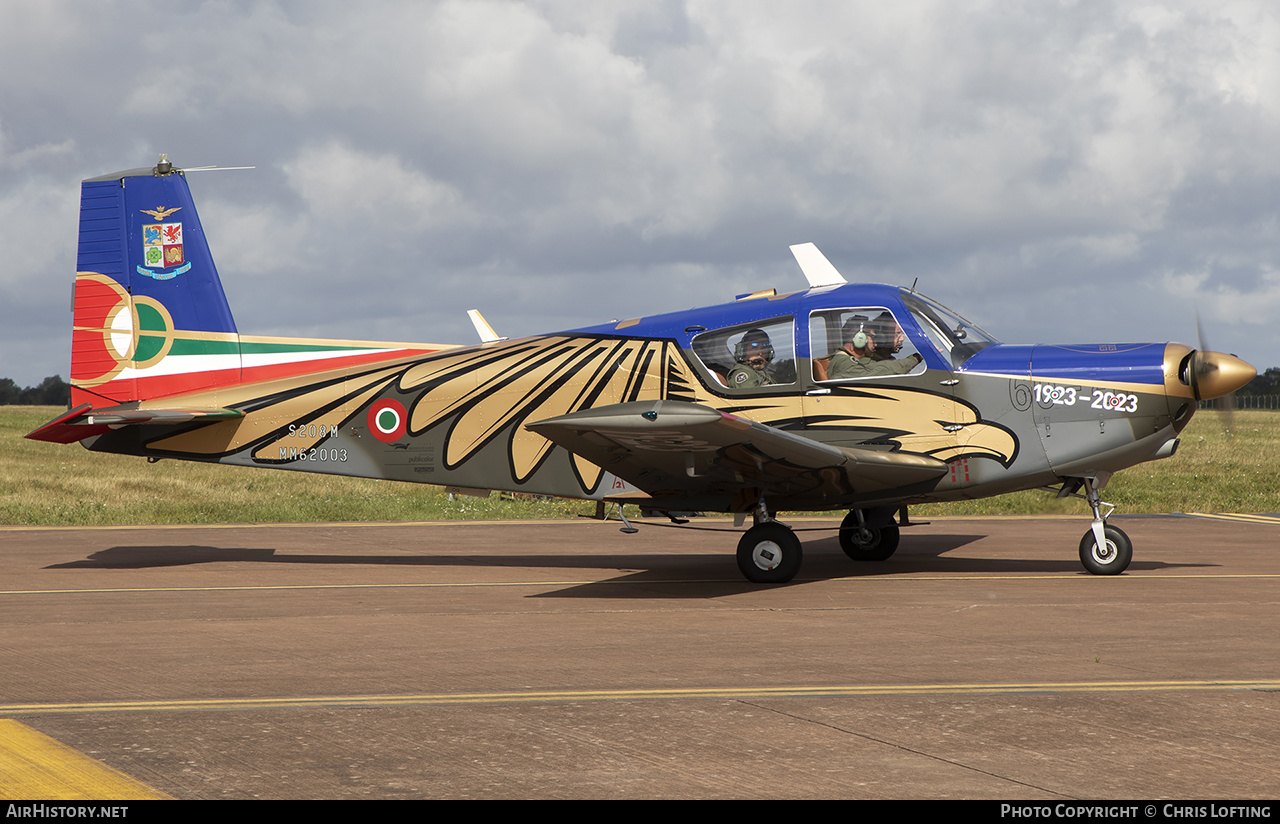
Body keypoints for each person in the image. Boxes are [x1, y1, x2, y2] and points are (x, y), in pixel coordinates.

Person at [827, 316, 921, 380]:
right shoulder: (843, 363)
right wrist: (916, 358)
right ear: (860, 339)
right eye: (873, 338)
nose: (876, 344)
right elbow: (881, 370)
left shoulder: (846, 360)